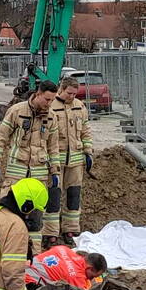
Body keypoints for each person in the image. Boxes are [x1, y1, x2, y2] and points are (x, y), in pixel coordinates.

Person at [0, 80, 61, 252]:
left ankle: (34, 254)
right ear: (37, 94)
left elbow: (53, 146)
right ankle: (4, 248)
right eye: (46, 99)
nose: (49, 104)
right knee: (9, 213)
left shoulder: (51, 117)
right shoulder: (17, 111)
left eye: (52, 100)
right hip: (16, 172)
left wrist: (55, 170)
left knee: (36, 217)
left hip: (38, 173)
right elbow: (1, 138)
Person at [49, 77, 94, 245]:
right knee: (53, 197)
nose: (72, 97)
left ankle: (71, 229)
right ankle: (51, 232)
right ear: (61, 89)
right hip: (56, 161)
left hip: (75, 161)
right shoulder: (51, 106)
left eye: (75, 94)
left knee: (74, 196)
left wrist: (88, 151)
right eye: (69, 93)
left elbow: (86, 130)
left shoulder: (79, 106)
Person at [24, 245, 106, 290]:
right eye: (93, 276)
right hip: (26, 281)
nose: (91, 279)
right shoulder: (77, 277)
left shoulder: (64, 249)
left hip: (20, 266)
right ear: (90, 268)